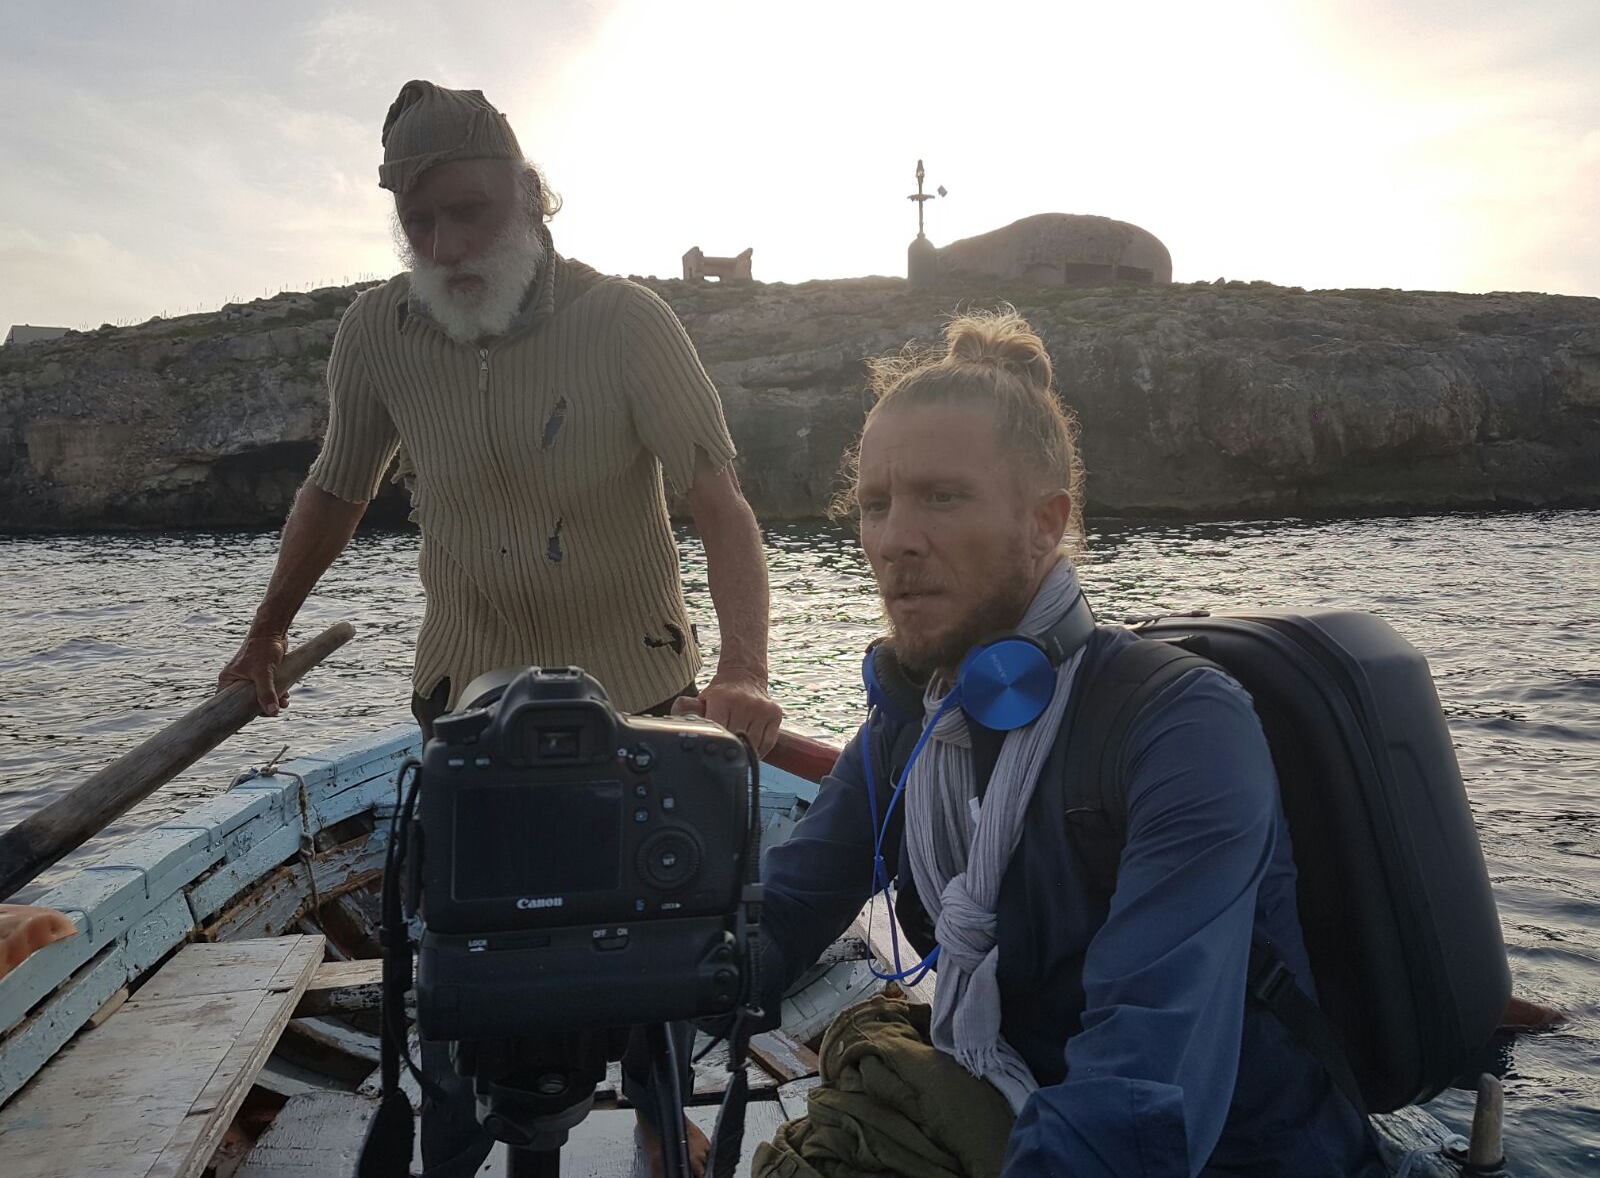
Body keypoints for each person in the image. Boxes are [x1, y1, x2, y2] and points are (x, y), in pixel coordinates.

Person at [217, 79, 781, 1176]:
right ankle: (463, 1146)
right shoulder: (376, 332)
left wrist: (750, 669)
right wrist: (265, 634)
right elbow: (334, 490)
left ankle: (667, 1133)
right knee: (465, 976)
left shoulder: (626, 323)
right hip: (463, 711)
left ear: (529, 196)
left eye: (467, 211)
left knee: (650, 972)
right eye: (418, 222)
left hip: (639, 710)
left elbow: (720, 501)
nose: (444, 244)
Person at [749, 309, 1383, 1176]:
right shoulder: (913, 722)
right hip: (1015, 1099)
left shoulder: (1178, 725)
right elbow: (780, 916)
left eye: (942, 496)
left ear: (1047, 524)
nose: (894, 539)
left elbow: (1139, 1090)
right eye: (874, 504)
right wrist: (617, 1001)